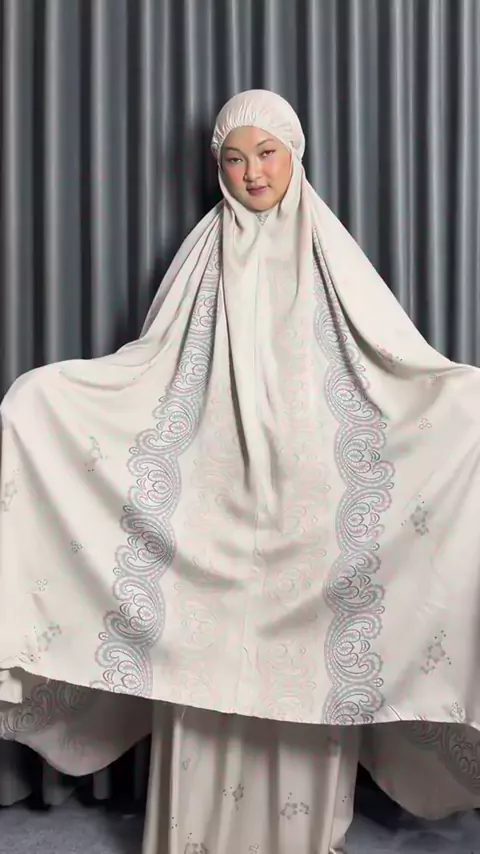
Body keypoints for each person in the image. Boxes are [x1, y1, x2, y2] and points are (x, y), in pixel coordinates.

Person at [2, 88, 480, 853]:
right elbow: (154, 369)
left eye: (266, 153)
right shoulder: (203, 255)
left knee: (307, 680)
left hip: (311, 515)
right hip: (217, 515)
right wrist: (45, 399)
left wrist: (462, 399)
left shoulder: (332, 256)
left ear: (294, 156)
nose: (252, 172)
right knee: (206, 664)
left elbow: (394, 364)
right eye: (234, 158)